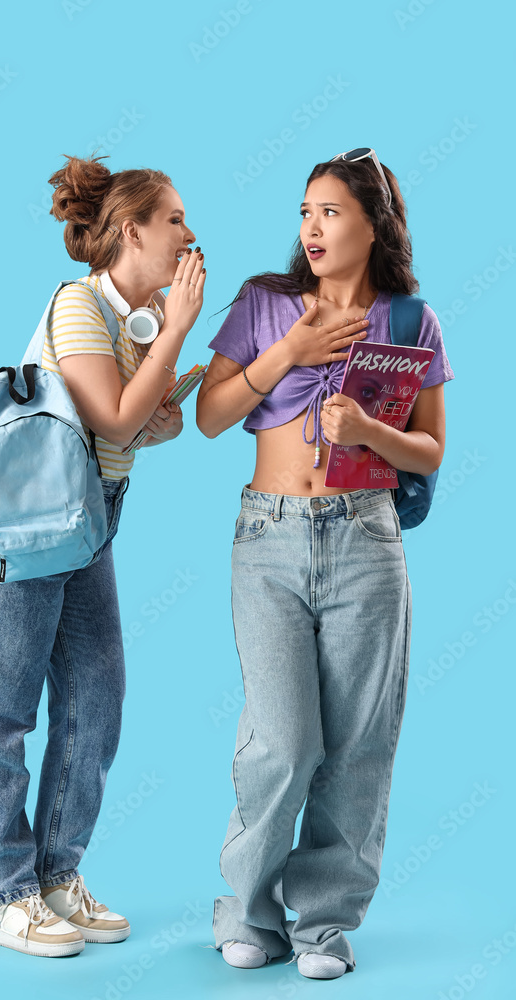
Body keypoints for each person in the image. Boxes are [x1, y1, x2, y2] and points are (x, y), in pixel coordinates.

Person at [196, 148, 453, 980]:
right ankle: (246, 912)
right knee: (281, 739)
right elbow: (209, 414)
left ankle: (323, 927)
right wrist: (294, 352)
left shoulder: (410, 321)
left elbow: (431, 448)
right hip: (268, 536)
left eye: (331, 211)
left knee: (356, 743)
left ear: (372, 224)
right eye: (305, 210)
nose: (311, 227)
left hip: (365, 539)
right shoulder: (265, 305)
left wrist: (370, 434)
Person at [0, 154, 205, 958]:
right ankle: (4, 893)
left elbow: (126, 426)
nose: (188, 234)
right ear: (130, 230)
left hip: (86, 524)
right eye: (173, 220)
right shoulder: (77, 306)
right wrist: (173, 337)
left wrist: (157, 400)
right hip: (30, 528)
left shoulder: (132, 322)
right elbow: (109, 414)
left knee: (96, 699)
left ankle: (57, 875)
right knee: (0, 710)